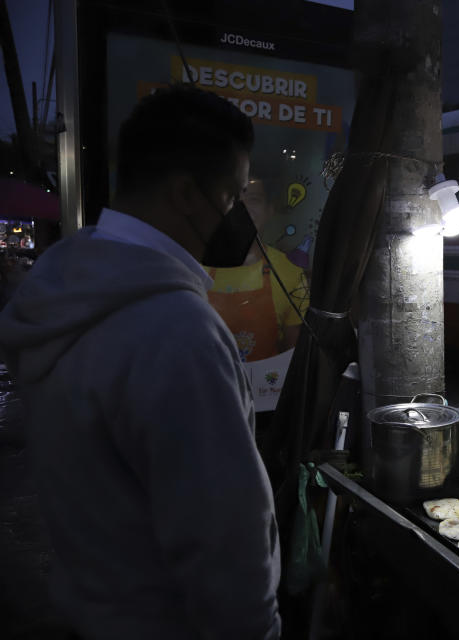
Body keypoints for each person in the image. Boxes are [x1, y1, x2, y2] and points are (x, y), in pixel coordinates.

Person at [0, 85, 281, 639]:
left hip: (88, 609)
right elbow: (227, 545)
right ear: (185, 193)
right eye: (231, 196)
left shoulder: (62, 290)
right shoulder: (177, 332)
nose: (239, 216)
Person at [205, 174, 308, 362]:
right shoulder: (193, 266)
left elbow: (293, 357)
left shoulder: (290, 273)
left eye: (253, 199)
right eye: (234, 199)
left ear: (270, 210)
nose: (242, 208)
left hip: (263, 387)